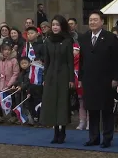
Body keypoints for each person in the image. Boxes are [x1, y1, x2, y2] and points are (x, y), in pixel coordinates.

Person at [78, 10, 118, 148]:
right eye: (90, 20)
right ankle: (93, 137)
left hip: (106, 79)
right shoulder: (83, 38)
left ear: (102, 22)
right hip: (89, 79)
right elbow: (82, 60)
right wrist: (80, 78)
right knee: (92, 109)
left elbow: (116, 60)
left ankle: (107, 138)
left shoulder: (110, 37)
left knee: (106, 110)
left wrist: (115, 78)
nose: (92, 22)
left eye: (95, 20)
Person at [40, 15, 74, 144]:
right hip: (51, 74)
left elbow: (70, 61)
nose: (55, 27)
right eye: (53, 24)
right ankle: (55, 132)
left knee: (62, 102)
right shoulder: (48, 41)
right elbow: (46, 61)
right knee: (52, 102)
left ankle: (63, 130)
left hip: (64, 74)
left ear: (62, 26)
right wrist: (45, 77)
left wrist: (71, 79)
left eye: (57, 25)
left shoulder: (67, 40)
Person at [0, 43, 19, 123]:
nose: (7, 52)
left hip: (10, 84)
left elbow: (15, 73)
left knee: (11, 99)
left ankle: (13, 116)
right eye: (5, 50)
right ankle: (0, 115)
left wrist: (9, 84)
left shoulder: (14, 60)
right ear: (2, 51)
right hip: (0, 83)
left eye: (8, 50)